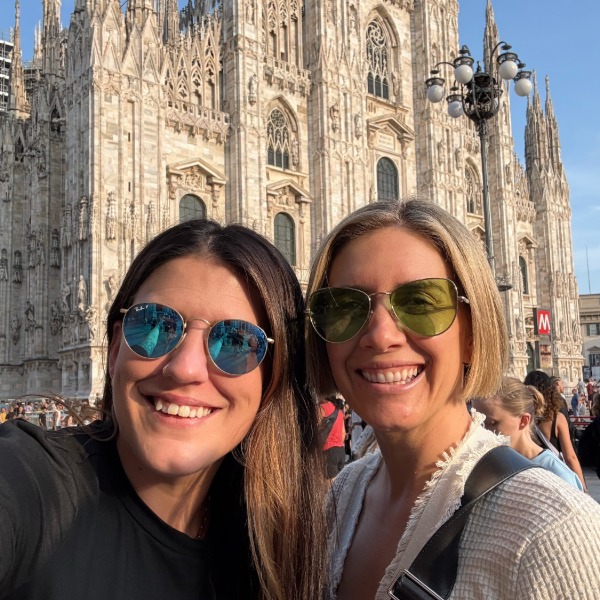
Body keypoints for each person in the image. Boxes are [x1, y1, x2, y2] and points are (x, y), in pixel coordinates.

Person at [0, 219, 326, 599]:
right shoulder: (35, 484)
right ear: (115, 347)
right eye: (153, 324)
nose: (185, 368)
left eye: (236, 341)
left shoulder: (283, 545)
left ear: (275, 374)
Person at [304, 198, 600, 600]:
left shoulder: (553, 531)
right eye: (343, 307)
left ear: (473, 332)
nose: (380, 335)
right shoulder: (341, 498)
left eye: (421, 303)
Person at [472, 378, 583, 490]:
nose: (482, 431)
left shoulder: (557, 475)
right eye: (477, 423)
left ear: (524, 421)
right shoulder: (483, 466)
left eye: (492, 423)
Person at [525, 369, 587, 491]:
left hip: (532, 478)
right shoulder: (557, 419)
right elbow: (570, 457)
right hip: (556, 478)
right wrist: (583, 488)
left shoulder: (522, 418)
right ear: (550, 391)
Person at [320, 394, 347, 479]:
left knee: (326, 487)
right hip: (341, 451)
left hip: (328, 451)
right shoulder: (339, 411)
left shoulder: (322, 408)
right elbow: (343, 433)